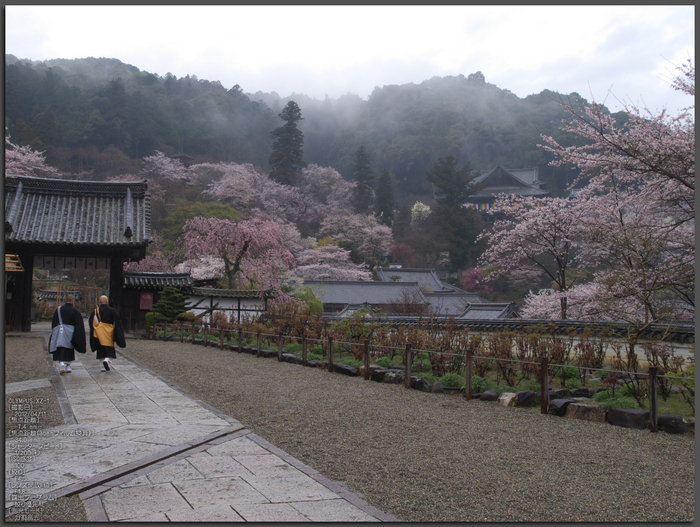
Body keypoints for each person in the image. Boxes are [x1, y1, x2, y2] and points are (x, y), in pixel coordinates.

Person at [50, 294, 86, 374]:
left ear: (65, 300)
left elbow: (54, 321)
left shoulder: (59, 309)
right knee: (70, 348)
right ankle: (68, 366)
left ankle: (61, 363)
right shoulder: (75, 311)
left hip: (61, 331)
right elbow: (79, 324)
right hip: (71, 331)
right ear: (73, 301)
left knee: (61, 347)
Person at [88, 295, 126, 372]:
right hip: (109, 331)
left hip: (99, 332)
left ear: (99, 301)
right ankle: (107, 360)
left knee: (101, 348)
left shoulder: (96, 311)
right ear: (107, 301)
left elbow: (91, 322)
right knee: (109, 347)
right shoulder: (112, 310)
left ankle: (103, 364)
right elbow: (117, 321)